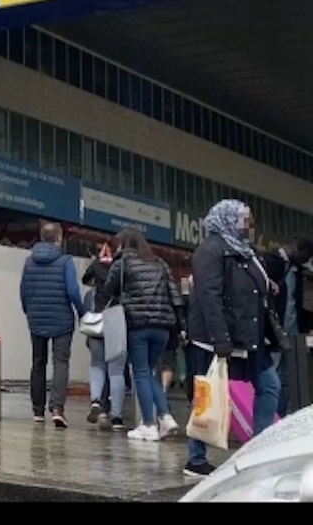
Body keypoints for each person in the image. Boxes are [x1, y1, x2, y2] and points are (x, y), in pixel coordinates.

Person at [183, 199, 283, 479]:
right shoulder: (210, 250)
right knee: (208, 395)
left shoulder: (246, 251)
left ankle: (258, 447)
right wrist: (221, 339)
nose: (250, 226)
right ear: (228, 218)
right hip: (219, 339)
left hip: (248, 337)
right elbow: (209, 297)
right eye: (245, 220)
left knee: (269, 385)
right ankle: (195, 458)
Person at [104, 227, 181, 442]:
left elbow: (109, 289)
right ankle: (165, 417)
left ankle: (149, 424)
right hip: (163, 327)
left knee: (140, 373)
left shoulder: (123, 263)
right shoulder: (160, 263)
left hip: (138, 325)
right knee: (148, 372)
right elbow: (175, 296)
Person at [19, 221, 86, 427]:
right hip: (62, 320)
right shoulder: (65, 261)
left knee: (38, 363)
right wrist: (82, 312)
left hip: (36, 319)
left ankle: (37, 411)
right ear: (59, 239)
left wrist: (29, 312)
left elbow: (23, 291)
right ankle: (57, 408)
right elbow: (73, 291)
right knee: (60, 363)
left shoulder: (29, 262)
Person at [259, 237, 313, 416]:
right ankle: (269, 415)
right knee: (272, 376)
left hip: (292, 332)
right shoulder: (270, 262)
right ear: (298, 249)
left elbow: (299, 303)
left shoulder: (298, 271)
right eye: (306, 256)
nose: (306, 260)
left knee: (288, 378)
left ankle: (278, 416)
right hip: (275, 330)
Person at [84, 238, 126, 430]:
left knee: (97, 364)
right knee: (116, 370)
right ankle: (116, 416)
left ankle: (95, 400)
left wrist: (98, 260)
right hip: (116, 318)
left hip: (97, 320)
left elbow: (85, 279)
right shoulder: (123, 266)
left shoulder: (95, 266)